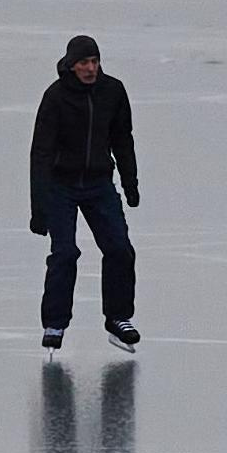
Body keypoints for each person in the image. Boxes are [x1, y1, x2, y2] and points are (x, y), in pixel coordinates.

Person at [27, 33, 141, 351]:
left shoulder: (113, 91)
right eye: (83, 63)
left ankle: (118, 319)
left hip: (98, 185)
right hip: (60, 187)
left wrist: (130, 183)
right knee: (65, 254)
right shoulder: (56, 96)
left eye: (94, 61)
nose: (91, 68)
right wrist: (40, 208)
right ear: (71, 65)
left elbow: (123, 139)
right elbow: (41, 153)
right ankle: (54, 324)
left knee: (120, 249)